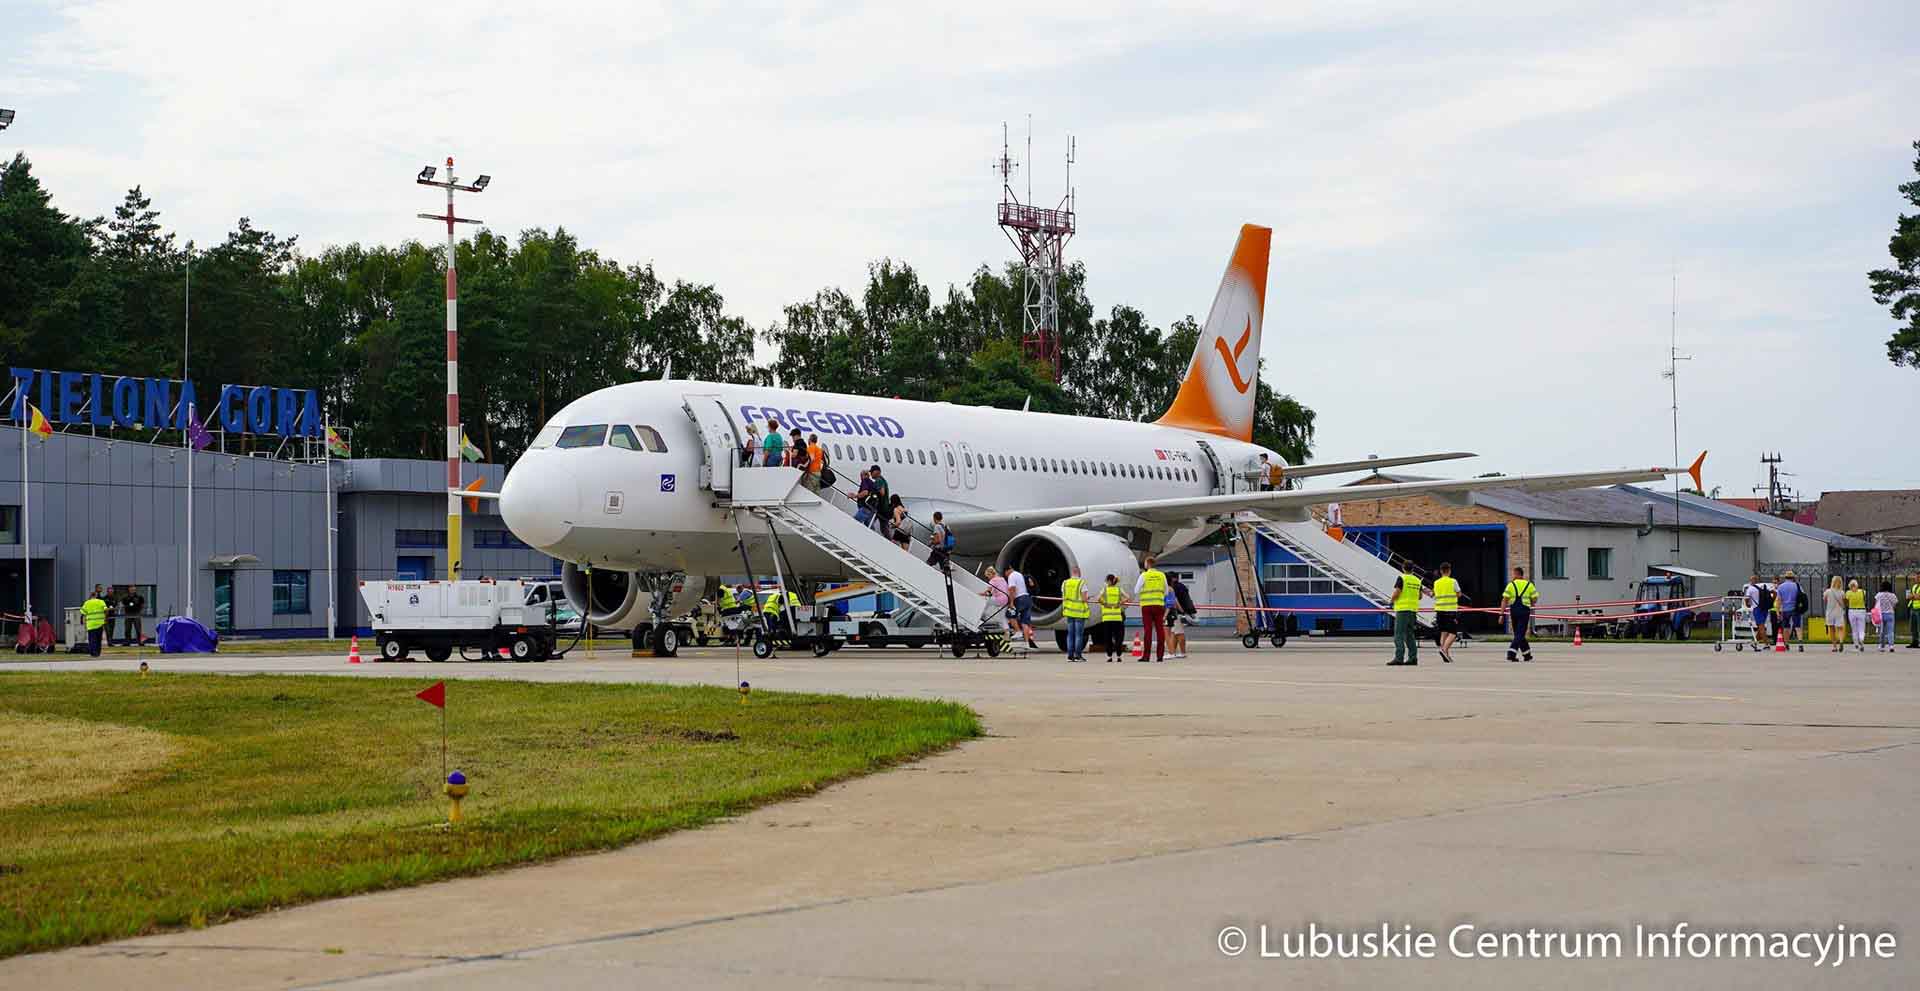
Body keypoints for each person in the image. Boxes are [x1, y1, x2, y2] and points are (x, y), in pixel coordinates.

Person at [1133, 555, 1169, 662]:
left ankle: (1146, 656)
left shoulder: (1144, 575)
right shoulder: (1162, 575)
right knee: (1160, 631)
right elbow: (1166, 591)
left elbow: (1136, 590)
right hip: (1159, 605)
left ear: (1147, 564)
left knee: (1148, 631)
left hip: (1147, 606)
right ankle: (1160, 656)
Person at [1502, 566, 1538, 663]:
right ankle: (1512, 653)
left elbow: (1504, 600)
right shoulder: (1529, 585)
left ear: (1517, 574)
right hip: (1524, 611)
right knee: (1520, 633)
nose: (1512, 576)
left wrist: (1501, 614)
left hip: (1514, 611)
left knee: (1518, 633)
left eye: (1513, 574)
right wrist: (1530, 601)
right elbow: (1534, 599)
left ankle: (1527, 655)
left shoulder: (1510, 585)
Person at [1387, 569, 1422, 666]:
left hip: (1402, 610)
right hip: (1413, 610)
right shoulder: (1417, 580)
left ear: (1403, 568)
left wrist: (1391, 601)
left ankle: (1399, 658)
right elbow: (1420, 596)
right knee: (1409, 635)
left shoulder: (1402, 578)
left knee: (1399, 634)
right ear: (1412, 569)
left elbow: (1397, 592)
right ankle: (1413, 658)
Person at [1059, 566, 1091, 662]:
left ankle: (1070, 655)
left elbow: (1064, 596)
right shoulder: (1081, 583)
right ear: (1079, 572)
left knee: (1070, 634)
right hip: (1079, 612)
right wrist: (1087, 598)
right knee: (1078, 635)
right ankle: (1078, 655)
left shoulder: (1065, 583)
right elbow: (1084, 598)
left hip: (1069, 611)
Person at [1432, 562, 1461, 663]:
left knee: (1443, 632)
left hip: (1439, 610)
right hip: (1450, 610)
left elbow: (1434, 595)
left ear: (1441, 571)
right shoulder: (1453, 581)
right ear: (1449, 570)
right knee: (1453, 633)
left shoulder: (1436, 583)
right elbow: (1459, 594)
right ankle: (1444, 649)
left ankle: (1446, 654)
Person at [1004, 565, 1037, 649]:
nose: (1006, 576)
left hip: (1020, 599)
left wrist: (1011, 602)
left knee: (1009, 614)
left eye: (1005, 574)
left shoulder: (1011, 576)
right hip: (1027, 599)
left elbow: (1012, 589)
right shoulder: (1019, 574)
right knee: (1025, 622)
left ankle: (1018, 631)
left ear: (1007, 571)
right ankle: (1026, 643)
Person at [1098, 573, 1126, 662]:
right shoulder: (1119, 589)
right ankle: (1119, 656)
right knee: (1118, 637)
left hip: (1107, 618)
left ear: (1109, 581)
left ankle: (1109, 656)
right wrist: (1120, 603)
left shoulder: (1105, 590)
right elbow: (1127, 597)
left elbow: (1098, 598)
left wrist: (1105, 604)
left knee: (1108, 638)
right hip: (1117, 617)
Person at [1168, 572, 1196, 659]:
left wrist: (1181, 611)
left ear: (1172, 579)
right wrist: (1190, 612)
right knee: (1175, 632)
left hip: (1177, 613)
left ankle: (1178, 652)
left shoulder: (1173, 588)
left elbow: (1175, 601)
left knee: (1178, 633)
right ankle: (1174, 651)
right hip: (1183, 612)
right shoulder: (1182, 586)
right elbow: (1187, 599)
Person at [81, 584, 109, 657]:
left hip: (91, 625)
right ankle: (98, 652)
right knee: (99, 640)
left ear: (90, 596)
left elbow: (83, 613)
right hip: (100, 623)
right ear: (96, 596)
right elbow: (106, 610)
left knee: (92, 640)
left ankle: (93, 653)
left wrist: (83, 622)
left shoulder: (87, 603)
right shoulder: (101, 601)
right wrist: (105, 619)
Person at [1775, 571, 1801, 648]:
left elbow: (1779, 600)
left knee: (1786, 627)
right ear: (1793, 577)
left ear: (1785, 577)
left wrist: (1777, 611)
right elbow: (1802, 596)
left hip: (1785, 609)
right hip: (1795, 608)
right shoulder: (1797, 586)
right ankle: (1800, 643)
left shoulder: (1781, 586)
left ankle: (1786, 644)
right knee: (1797, 626)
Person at [1874, 581, 1899, 653]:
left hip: (1881, 614)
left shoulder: (1879, 595)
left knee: (1882, 631)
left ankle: (1881, 646)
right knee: (1890, 631)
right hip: (1890, 614)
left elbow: (1876, 604)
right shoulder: (1892, 595)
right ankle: (1891, 646)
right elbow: (1895, 604)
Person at [1823, 576, 1847, 652]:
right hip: (1839, 612)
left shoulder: (1828, 591)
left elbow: (1825, 600)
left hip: (1830, 612)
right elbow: (1844, 602)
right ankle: (1841, 642)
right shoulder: (1842, 592)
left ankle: (1834, 646)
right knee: (1840, 629)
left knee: (1832, 629)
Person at [1845, 579, 1867, 652]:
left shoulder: (1848, 593)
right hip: (1861, 610)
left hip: (1852, 611)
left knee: (1854, 629)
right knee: (1861, 628)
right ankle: (1861, 639)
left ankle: (1856, 644)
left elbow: (1846, 601)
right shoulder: (1862, 592)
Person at [1907, 572, 1920, 649]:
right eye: (1916, 577)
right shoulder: (1914, 586)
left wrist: (1913, 596)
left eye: (1918, 577)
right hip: (1913, 608)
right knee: (1913, 627)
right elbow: (1908, 596)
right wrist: (1914, 596)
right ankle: (1914, 642)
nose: (1917, 579)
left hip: (1919, 609)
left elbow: (1917, 597)